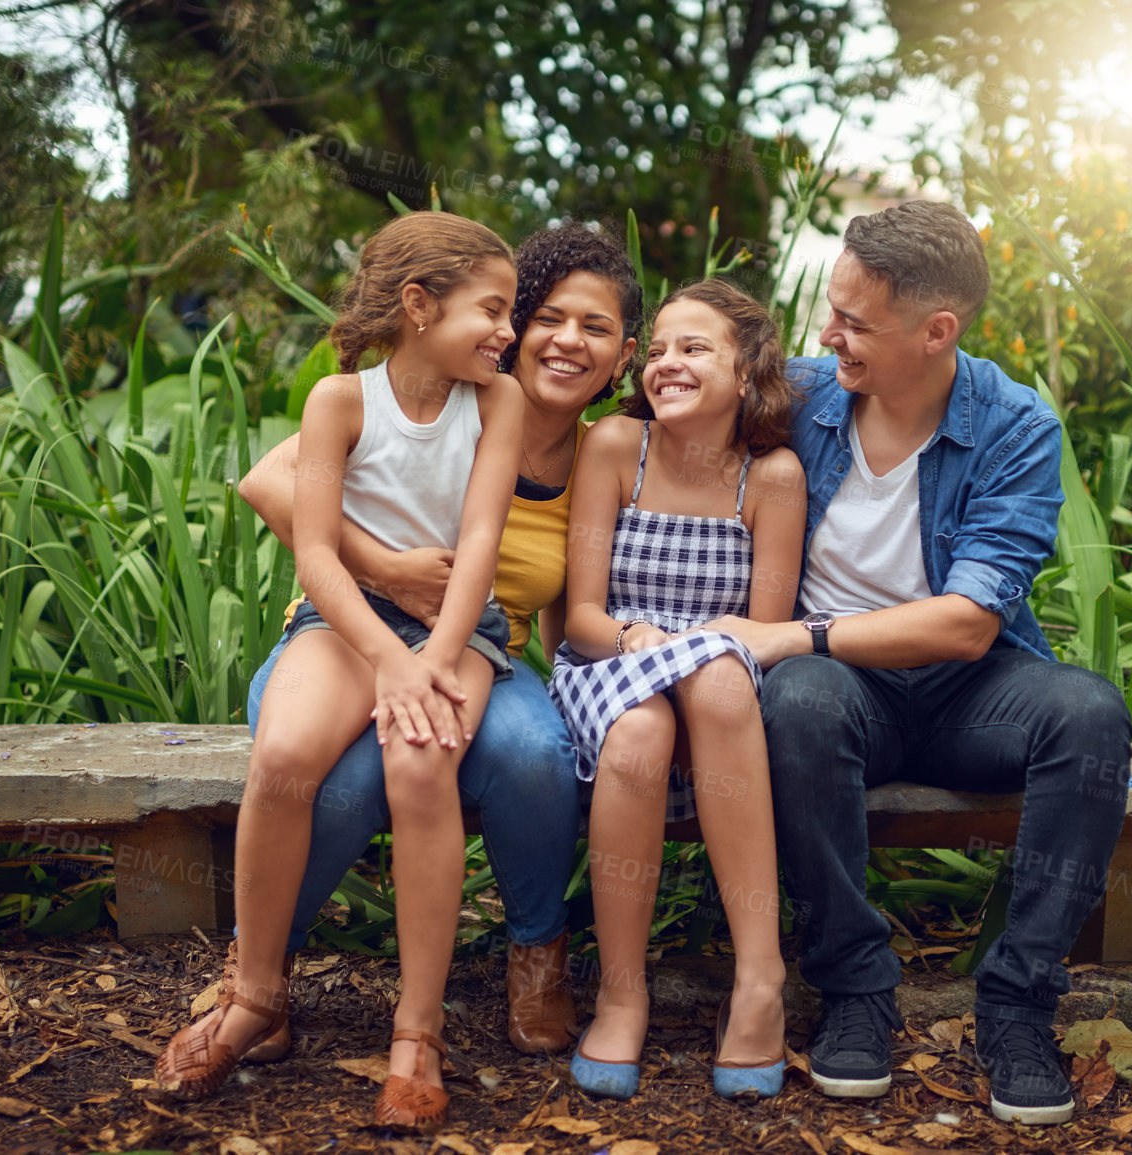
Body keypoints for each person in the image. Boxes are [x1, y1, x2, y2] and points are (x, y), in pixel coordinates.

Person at [703, 201, 1132, 1125]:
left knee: (1088, 711)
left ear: (938, 332)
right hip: (838, 698)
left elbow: (970, 622)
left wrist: (798, 633)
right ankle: (856, 989)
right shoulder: (805, 396)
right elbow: (654, 407)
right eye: (832, 310)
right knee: (802, 699)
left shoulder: (1015, 425)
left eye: (855, 322)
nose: (829, 334)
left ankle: (1015, 1004)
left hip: (965, 694)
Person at [154, 211, 526, 1132]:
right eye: (493, 309)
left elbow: (481, 538)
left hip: (454, 624)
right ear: (417, 304)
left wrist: (431, 659)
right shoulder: (339, 402)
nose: (509, 331)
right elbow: (316, 552)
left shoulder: (499, 402)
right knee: (283, 754)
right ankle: (257, 992)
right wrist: (385, 657)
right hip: (344, 617)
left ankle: (417, 1031)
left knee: (418, 759)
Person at [235, 223, 643, 1056]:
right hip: (345, 631)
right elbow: (267, 482)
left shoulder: (604, 453)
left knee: (534, 754)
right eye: (546, 319)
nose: (567, 343)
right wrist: (386, 568)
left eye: (595, 329)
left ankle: (535, 956)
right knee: (344, 779)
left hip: (477, 645)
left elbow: (566, 594)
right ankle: (260, 973)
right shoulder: (409, 393)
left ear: (623, 354)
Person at [553, 281, 807, 1101]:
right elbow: (582, 619)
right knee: (636, 735)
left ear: (747, 371)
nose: (666, 362)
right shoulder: (613, 446)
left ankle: (758, 980)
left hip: (719, 684)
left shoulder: (770, 476)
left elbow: (761, 632)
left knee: (725, 682)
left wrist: (696, 651)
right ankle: (621, 990)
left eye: (693, 348)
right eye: (657, 348)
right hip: (611, 668)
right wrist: (637, 639)